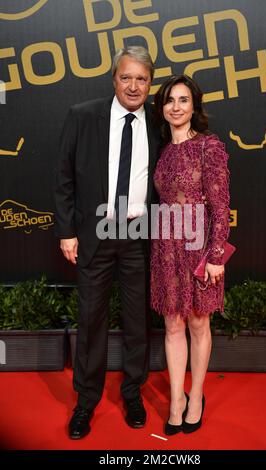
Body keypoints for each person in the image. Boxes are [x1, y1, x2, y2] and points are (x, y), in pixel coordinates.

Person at [54, 46, 161, 439]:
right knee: (91, 321)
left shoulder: (157, 122)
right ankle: (85, 402)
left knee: (137, 323)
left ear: (151, 83)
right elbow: (64, 176)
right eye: (126, 77)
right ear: (114, 78)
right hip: (95, 231)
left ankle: (132, 392)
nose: (133, 86)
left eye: (142, 79)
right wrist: (67, 231)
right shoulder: (83, 116)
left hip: (136, 235)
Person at [151, 75, 230, 435]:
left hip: (200, 245)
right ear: (162, 108)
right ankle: (176, 399)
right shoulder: (164, 150)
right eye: (169, 100)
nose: (176, 107)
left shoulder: (208, 147)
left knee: (199, 322)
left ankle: (195, 396)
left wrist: (216, 256)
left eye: (183, 100)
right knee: (172, 325)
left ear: (194, 106)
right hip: (166, 246)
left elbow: (221, 204)